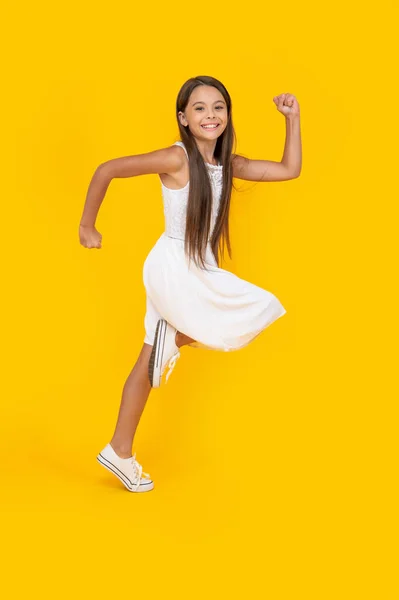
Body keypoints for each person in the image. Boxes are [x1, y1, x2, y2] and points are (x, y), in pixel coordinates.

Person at [79, 75, 302, 493]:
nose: (210, 115)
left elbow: (290, 170)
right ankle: (175, 336)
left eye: (218, 107)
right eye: (199, 108)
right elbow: (107, 169)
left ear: (228, 115)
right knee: (251, 307)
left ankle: (119, 450)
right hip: (173, 264)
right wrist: (87, 225)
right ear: (183, 118)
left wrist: (292, 118)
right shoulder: (176, 158)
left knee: (148, 360)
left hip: (199, 264)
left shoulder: (229, 164)